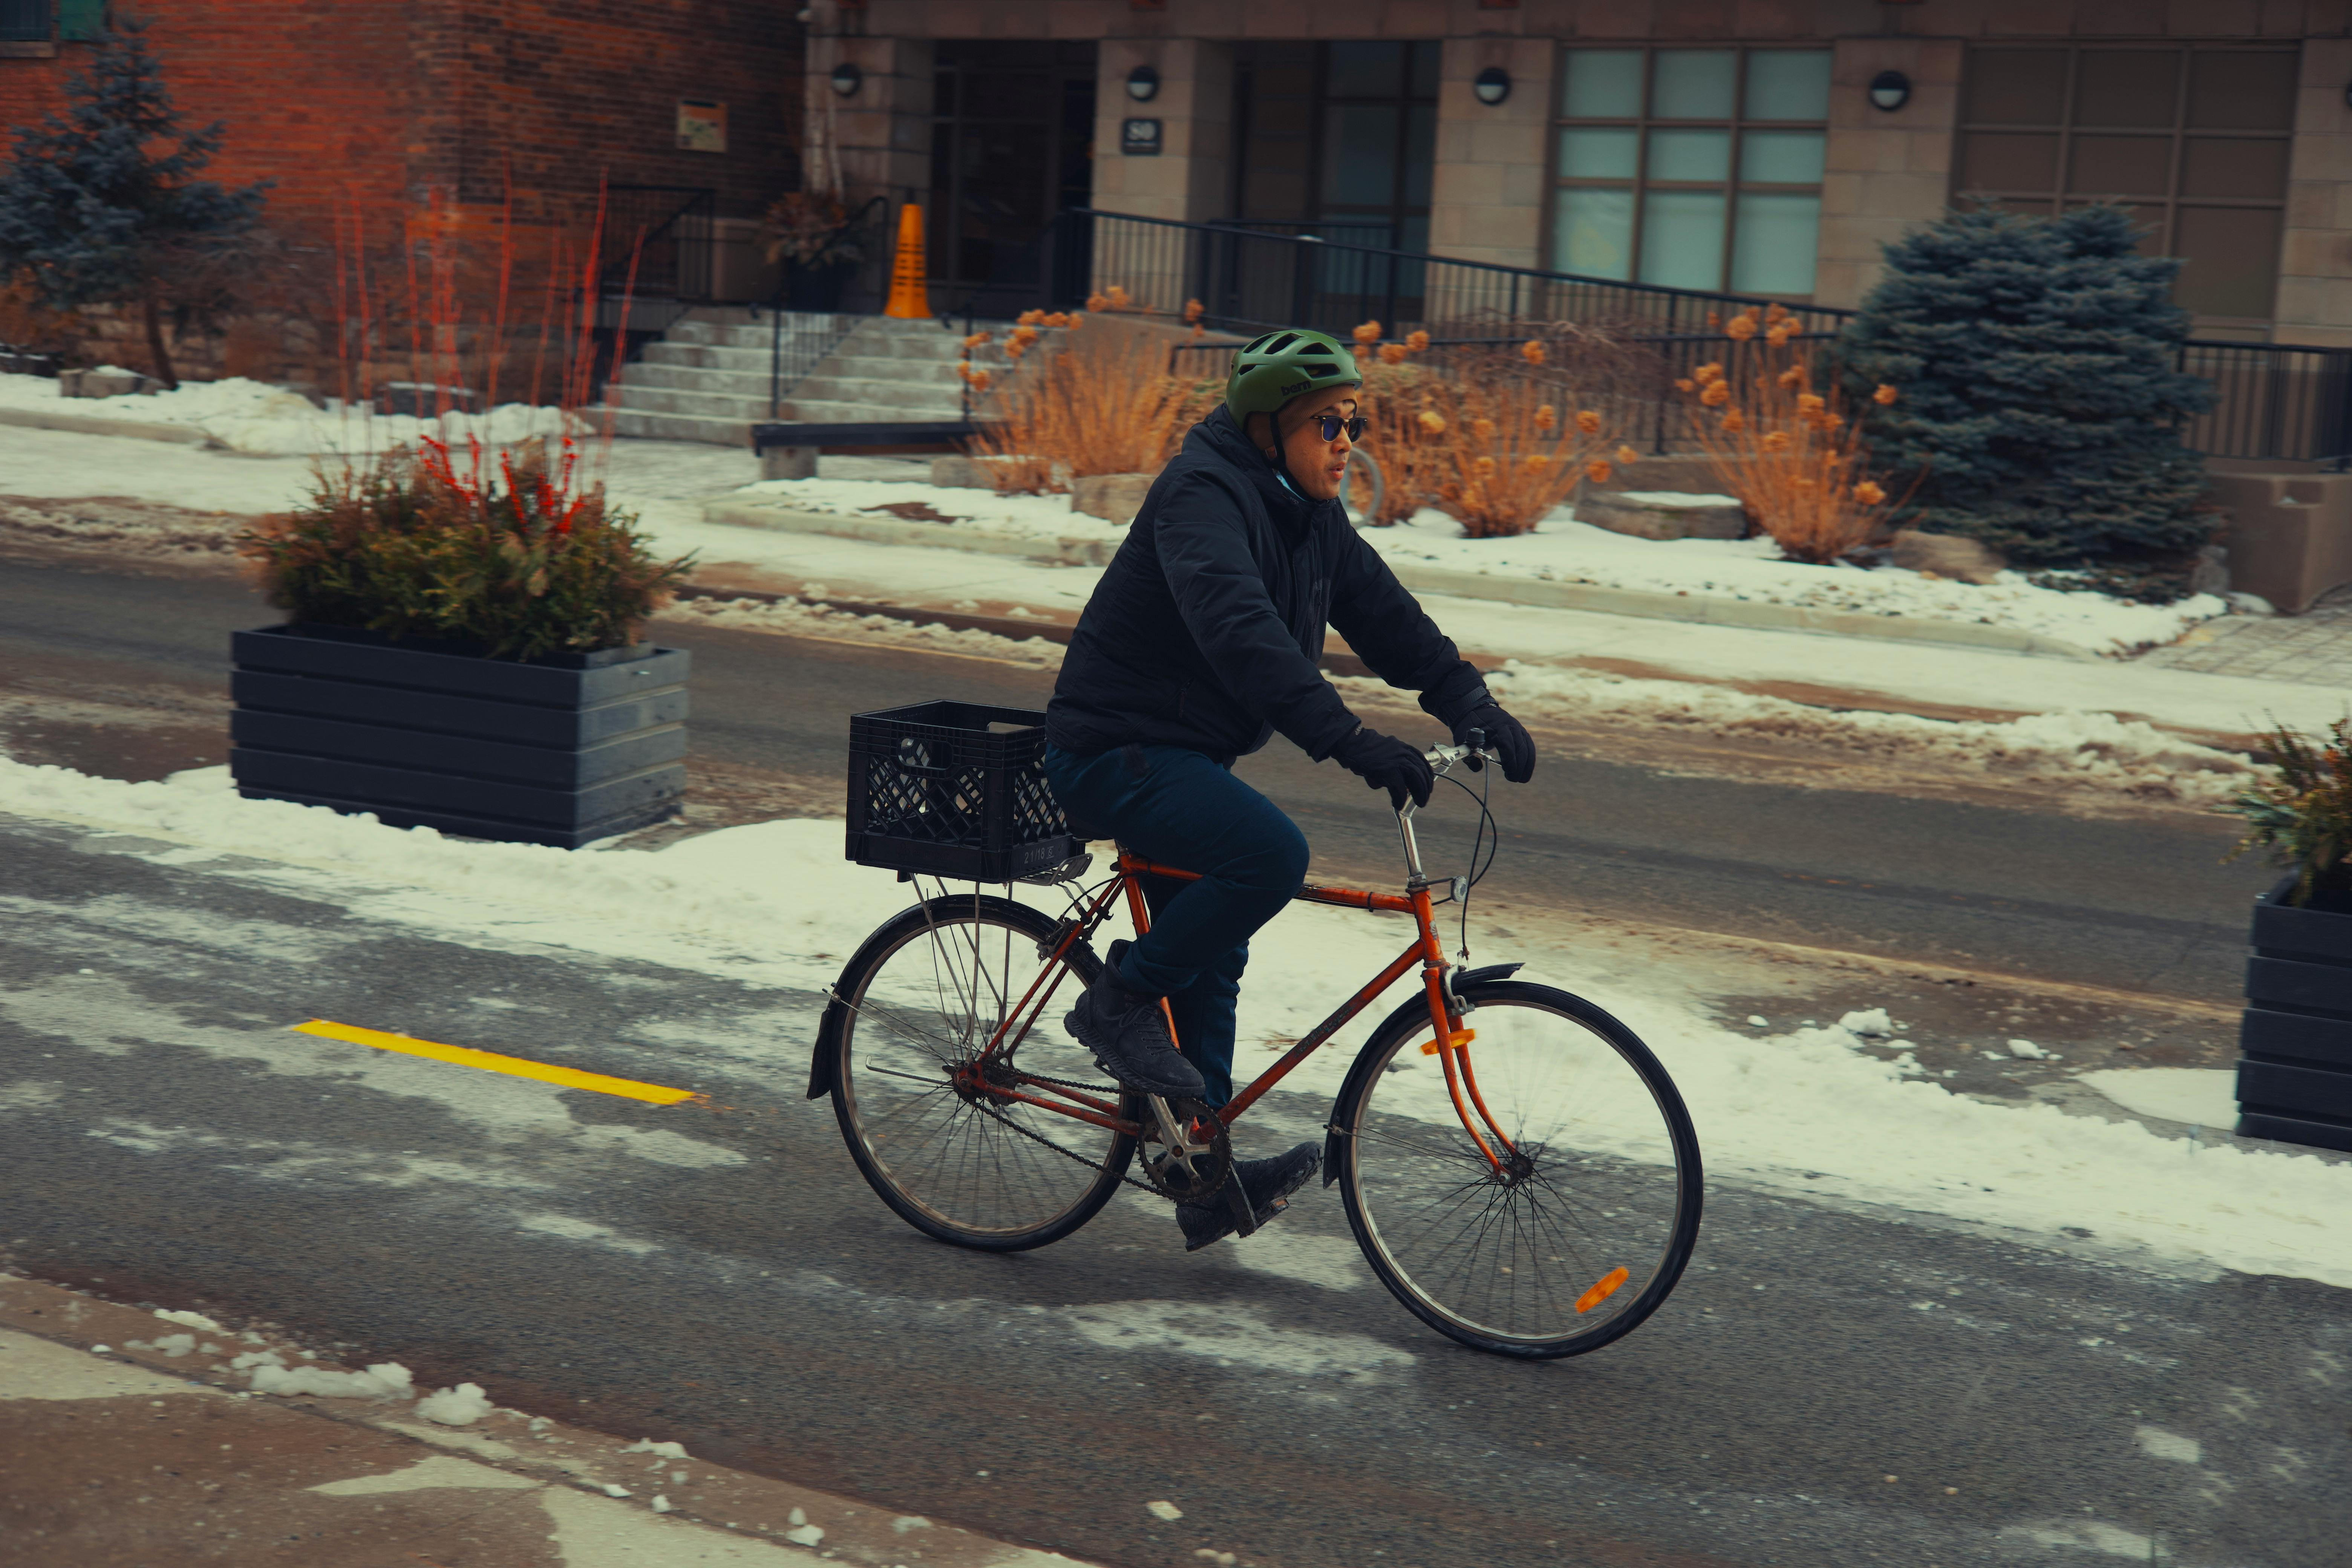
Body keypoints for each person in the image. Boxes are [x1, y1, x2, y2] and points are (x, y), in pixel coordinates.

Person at [1041, 326, 1537, 1252]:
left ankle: (1199, 1165)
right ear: (1267, 429)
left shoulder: (1307, 510)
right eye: (1327, 423)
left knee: (1215, 952)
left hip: (1182, 755)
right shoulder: (1203, 495)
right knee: (1269, 856)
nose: (1347, 441)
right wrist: (1347, 740)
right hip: (1113, 751)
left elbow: (1385, 616)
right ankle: (1115, 1001)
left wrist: (1468, 698)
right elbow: (1241, 633)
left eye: (1355, 421)